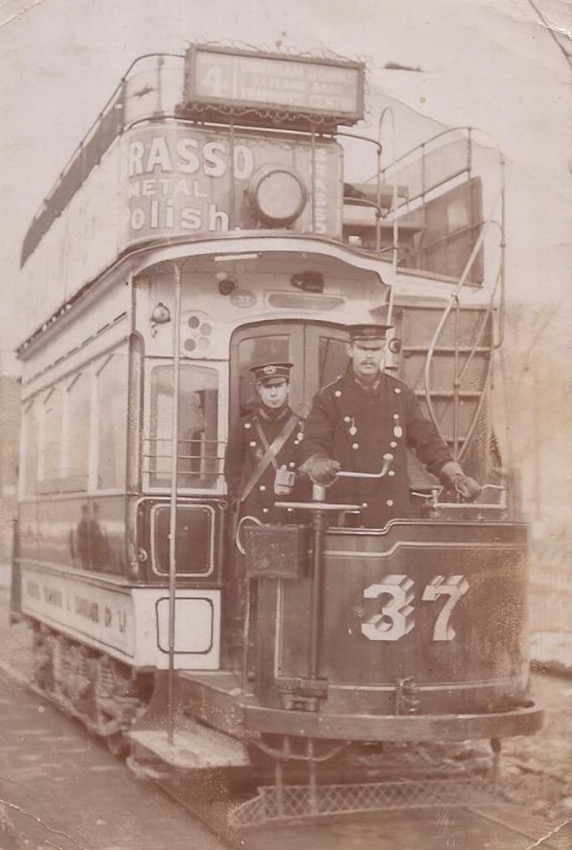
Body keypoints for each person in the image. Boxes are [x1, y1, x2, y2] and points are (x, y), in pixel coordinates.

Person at [299, 324, 481, 527]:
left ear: (382, 351)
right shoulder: (329, 396)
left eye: (375, 350)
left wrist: (456, 476)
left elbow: (428, 441)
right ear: (350, 350)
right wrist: (318, 462)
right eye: (363, 349)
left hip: (391, 513)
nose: (369, 356)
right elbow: (314, 441)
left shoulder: (401, 394)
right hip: (348, 511)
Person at [224, 361, 305, 527]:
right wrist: (242, 497)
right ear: (259, 390)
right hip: (254, 512)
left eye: (279, 386)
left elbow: (308, 471)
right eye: (268, 388)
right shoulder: (244, 426)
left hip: (289, 512)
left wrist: (294, 481)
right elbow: (231, 470)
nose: (273, 393)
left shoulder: (302, 427)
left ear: (288, 388)